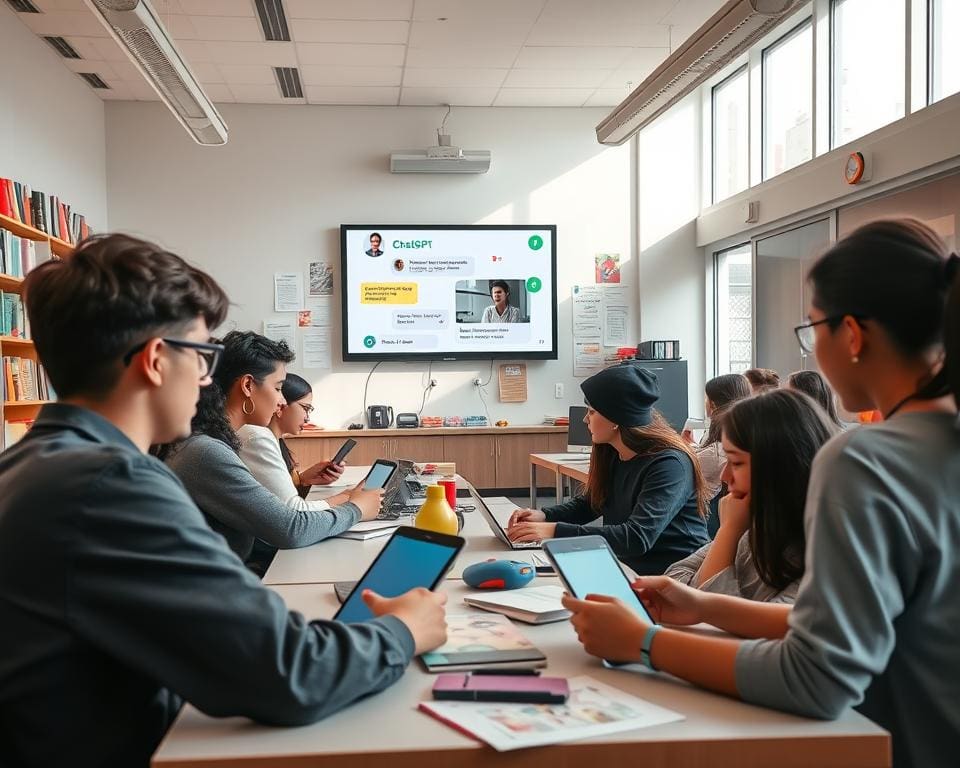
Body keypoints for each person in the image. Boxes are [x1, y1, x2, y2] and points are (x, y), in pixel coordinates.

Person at [0, 234, 448, 768]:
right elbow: (288, 673)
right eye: (203, 355)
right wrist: (403, 630)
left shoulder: (33, 464)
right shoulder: (112, 487)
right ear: (157, 361)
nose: (208, 378)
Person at [560, 219, 960, 768]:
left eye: (811, 328)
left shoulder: (868, 461)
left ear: (852, 334)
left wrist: (643, 644)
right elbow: (873, 621)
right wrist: (704, 604)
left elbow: (817, 677)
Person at [163, 331, 380, 567]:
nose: (282, 402)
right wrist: (357, 508)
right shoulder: (206, 451)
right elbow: (292, 528)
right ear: (247, 385)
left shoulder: (210, 441)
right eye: (278, 388)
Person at [507, 364, 709, 575]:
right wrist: (542, 515)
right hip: (628, 568)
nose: (585, 419)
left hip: (674, 576)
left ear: (616, 420)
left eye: (592, 412)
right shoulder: (613, 452)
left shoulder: (669, 465)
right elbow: (592, 504)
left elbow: (636, 538)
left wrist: (553, 531)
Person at [666, 389, 837, 602]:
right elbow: (673, 578)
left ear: (782, 467)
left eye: (736, 463)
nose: (725, 476)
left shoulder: (826, 556)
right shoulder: (757, 527)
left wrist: (728, 531)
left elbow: (711, 618)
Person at [239, 373, 349, 503]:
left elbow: (277, 499)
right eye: (305, 408)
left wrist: (303, 479)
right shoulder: (258, 439)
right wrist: (348, 498)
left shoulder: (275, 441)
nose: (307, 417)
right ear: (280, 405)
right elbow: (290, 510)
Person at [682, 373, 752, 506]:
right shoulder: (737, 430)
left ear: (713, 404)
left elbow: (704, 460)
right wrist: (690, 445)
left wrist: (686, 446)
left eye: (706, 399)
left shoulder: (718, 450)